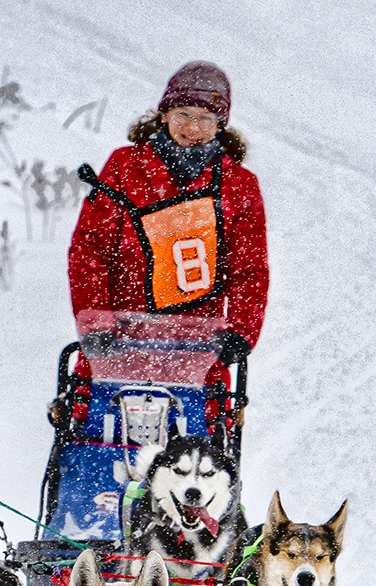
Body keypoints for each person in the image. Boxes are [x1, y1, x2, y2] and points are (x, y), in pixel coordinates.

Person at [68, 61, 268, 371]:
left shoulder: (239, 186)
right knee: (94, 419)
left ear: (220, 125)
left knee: (203, 420)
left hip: (197, 355)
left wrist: (240, 332)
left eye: (205, 118)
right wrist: (96, 326)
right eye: (183, 115)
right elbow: (90, 251)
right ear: (164, 116)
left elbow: (249, 269)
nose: (192, 128)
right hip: (116, 347)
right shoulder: (124, 168)